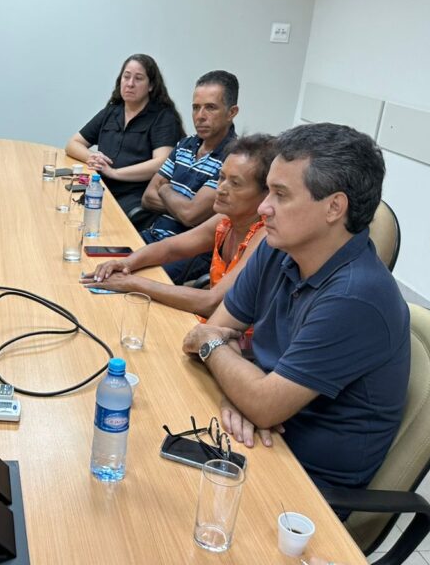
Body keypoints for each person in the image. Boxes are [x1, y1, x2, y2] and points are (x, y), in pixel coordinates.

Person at [182, 123, 410, 494]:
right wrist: (237, 390)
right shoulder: (279, 247)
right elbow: (214, 331)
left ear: (334, 207)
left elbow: (221, 355)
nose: (263, 207)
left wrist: (237, 377)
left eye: (280, 195)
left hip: (305, 487)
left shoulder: (356, 297)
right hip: (255, 438)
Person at [81, 134, 274, 321]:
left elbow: (212, 302)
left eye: (235, 183)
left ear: (265, 193)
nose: (221, 188)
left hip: (236, 341)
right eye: (221, 177)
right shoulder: (226, 220)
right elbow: (170, 248)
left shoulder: (265, 235)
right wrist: (126, 263)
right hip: (212, 326)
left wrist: (131, 282)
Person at [138, 70, 240, 283]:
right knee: (103, 259)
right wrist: (184, 205)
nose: (200, 116)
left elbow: (190, 215)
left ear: (232, 112)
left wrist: (165, 189)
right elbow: (148, 197)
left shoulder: (233, 158)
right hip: (153, 236)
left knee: (132, 281)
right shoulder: (185, 145)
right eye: (196, 107)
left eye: (210, 107)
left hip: (188, 252)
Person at [65, 54, 184, 223]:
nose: (130, 84)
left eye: (138, 78)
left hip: (135, 197)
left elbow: (162, 162)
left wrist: (115, 173)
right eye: (126, 77)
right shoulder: (112, 112)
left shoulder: (163, 117)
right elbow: (73, 144)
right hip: (101, 188)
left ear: (151, 85)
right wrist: (93, 157)